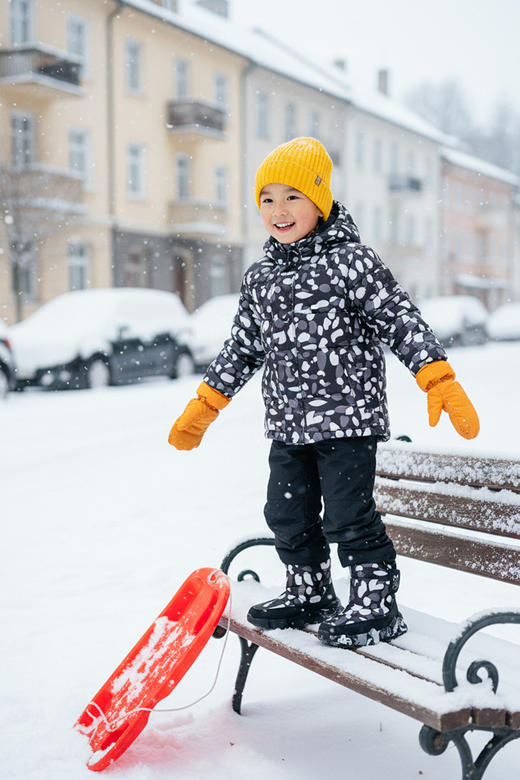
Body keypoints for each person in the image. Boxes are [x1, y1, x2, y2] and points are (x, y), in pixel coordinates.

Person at [168, 137, 479, 649]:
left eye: (292, 196)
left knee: (347, 514)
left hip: (348, 420)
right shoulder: (261, 277)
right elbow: (243, 347)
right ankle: (309, 589)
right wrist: (205, 404)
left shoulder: (352, 262)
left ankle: (376, 602)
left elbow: (400, 320)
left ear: (321, 200)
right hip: (288, 422)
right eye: (267, 199)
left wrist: (436, 376)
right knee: (285, 511)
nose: (279, 210)